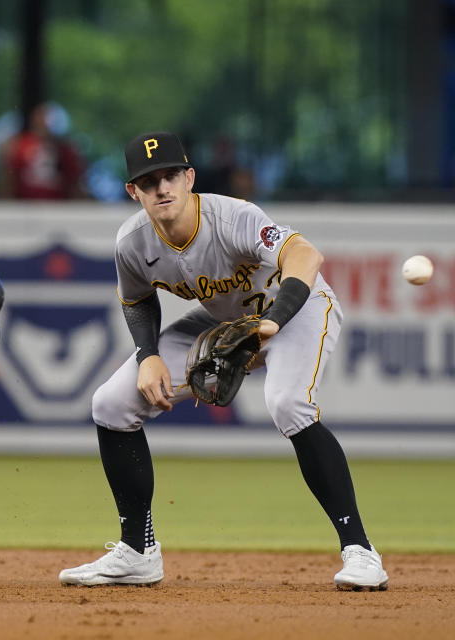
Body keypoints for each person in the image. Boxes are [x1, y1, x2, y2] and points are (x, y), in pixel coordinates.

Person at [58, 132, 388, 591]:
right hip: (228, 321)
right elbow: (136, 299)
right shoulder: (132, 241)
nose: (162, 187)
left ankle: (361, 552)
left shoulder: (232, 217)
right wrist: (148, 354)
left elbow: (305, 255)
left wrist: (272, 321)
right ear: (133, 192)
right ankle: (138, 552)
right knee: (111, 404)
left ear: (189, 177)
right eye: (148, 181)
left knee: (288, 404)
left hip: (298, 309)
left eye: (171, 175)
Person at [0, 102, 86, 200]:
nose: (45, 123)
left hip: (58, 209)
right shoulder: (21, 146)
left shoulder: (65, 149)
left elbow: (74, 182)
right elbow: (10, 180)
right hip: (25, 207)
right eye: (41, 118)